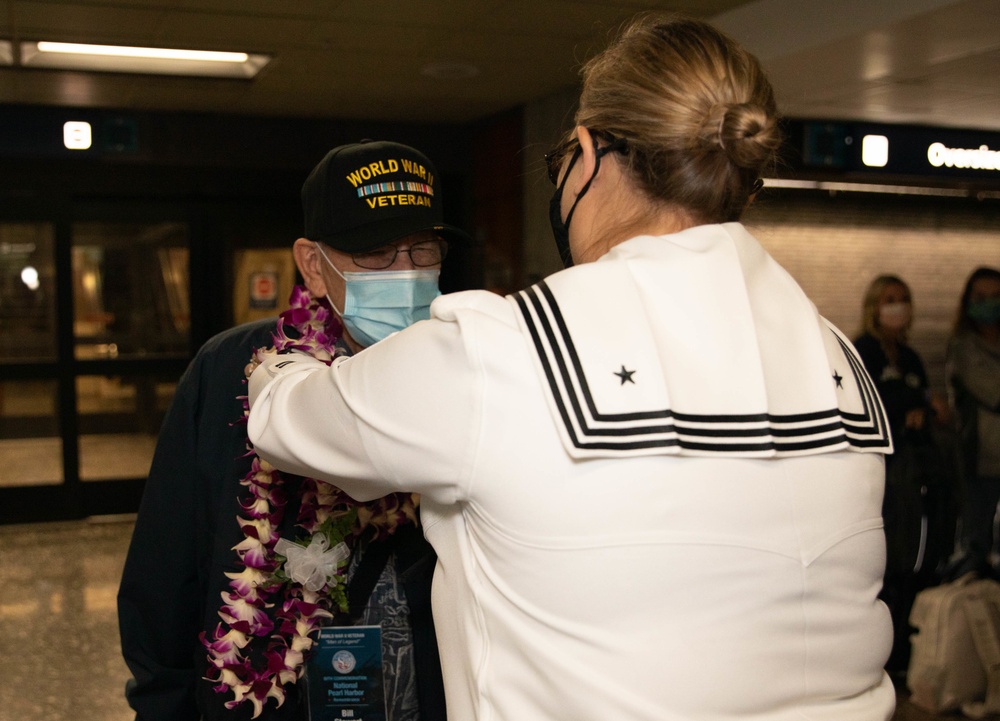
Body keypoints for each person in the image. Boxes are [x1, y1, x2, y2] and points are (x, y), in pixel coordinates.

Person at [247, 16, 895, 721]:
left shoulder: (502, 351)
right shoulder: (837, 352)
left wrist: (276, 363)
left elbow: (288, 420)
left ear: (585, 155)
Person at [117, 140, 469, 721]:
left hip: (433, 693)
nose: (407, 274)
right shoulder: (235, 368)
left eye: (423, 249)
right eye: (377, 254)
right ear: (313, 262)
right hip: (274, 694)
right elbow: (166, 565)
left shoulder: (469, 365)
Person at [853, 274, 957, 678]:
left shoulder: (911, 357)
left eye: (904, 299)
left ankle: (903, 658)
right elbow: (874, 403)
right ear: (874, 306)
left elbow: (924, 400)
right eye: (889, 300)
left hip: (917, 476)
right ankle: (878, 660)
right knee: (888, 563)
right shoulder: (863, 351)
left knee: (918, 557)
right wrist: (914, 406)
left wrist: (928, 409)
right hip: (883, 475)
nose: (897, 307)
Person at [947, 266, 1000, 579]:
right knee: (977, 550)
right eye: (981, 297)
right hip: (983, 463)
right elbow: (994, 392)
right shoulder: (963, 347)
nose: (988, 303)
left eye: (995, 296)